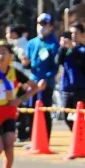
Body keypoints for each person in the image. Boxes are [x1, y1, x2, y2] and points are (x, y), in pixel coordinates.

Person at [26, 13, 61, 141]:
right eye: (39, 24)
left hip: (45, 84)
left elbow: (55, 66)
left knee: (44, 110)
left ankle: (44, 139)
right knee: (30, 110)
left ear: (51, 26)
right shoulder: (31, 43)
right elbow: (28, 63)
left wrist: (46, 78)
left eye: (44, 24)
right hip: (32, 82)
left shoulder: (54, 44)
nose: (41, 27)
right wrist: (25, 63)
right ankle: (32, 138)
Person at [56, 22, 85, 131]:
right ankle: (78, 133)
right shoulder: (66, 49)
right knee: (66, 115)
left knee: (78, 116)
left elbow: (84, 64)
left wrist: (73, 49)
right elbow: (58, 61)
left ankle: (80, 136)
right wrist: (62, 48)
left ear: (82, 35)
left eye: (76, 33)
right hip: (66, 87)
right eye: (71, 33)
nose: (73, 35)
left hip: (80, 87)